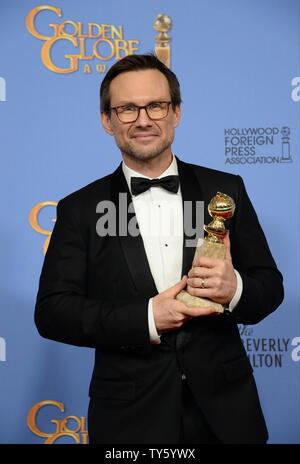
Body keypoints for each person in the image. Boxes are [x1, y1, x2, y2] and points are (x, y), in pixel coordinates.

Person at [35, 54, 284, 444]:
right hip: (129, 419)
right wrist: (147, 317)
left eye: (155, 105)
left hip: (227, 414)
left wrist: (233, 289)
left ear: (176, 112)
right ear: (107, 120)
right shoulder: (80, 209)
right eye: (127, 108)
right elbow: (52, 313)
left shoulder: (226, 190)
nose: (144, 119)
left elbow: (270, 287)